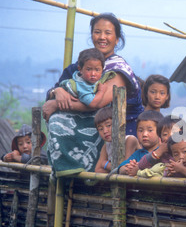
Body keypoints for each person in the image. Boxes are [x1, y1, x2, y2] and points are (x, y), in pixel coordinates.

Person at [42, 13, 144, 177]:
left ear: (117, 39)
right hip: (93, 128)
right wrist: (58, 91)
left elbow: (97, 103)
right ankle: (69, 168)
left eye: (108, 33)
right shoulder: (81, 66)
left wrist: (56, 104)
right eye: (97, 32)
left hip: (121, 133)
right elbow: (55, 89)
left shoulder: (119, 69)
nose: (102, 37)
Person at [93, 106, 140, 173]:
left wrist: (106, 164)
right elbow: (98, 170)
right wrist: (117, 170)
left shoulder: (130, 140)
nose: (105, 131)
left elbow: (125, 168)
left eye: (108, 125)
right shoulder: (106, 146)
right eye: (101, 129)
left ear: (118, 123)